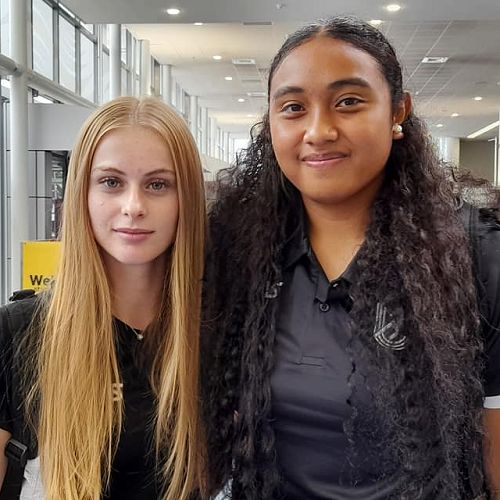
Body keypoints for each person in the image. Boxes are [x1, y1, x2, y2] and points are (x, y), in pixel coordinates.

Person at [202, 16, 500, 500]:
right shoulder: (237, 251)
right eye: (294, 108)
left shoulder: (473, 253)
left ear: (398, 111)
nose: (318, 131)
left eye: (348, 102)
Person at [0, 96, 206, 499]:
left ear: (187, 199)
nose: (134, 206)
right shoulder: (18, 333)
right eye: (111, 182)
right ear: (82, 193)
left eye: (158, 184)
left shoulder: (220, 334)